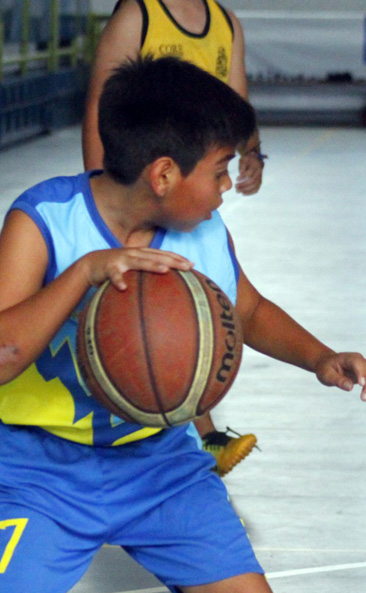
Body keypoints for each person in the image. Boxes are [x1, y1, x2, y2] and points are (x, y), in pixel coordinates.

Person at [0, 56, 366, 593]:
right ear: (163, 175)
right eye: (221, 169)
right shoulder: (44, 220)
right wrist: (83, 274)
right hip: (39, 469)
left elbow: (247, 310)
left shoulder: (202, 231)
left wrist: (321, 357)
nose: (228, 186)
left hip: (159, 462)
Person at [82, 0, 266, 475]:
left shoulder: (225, 24)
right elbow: (101, 107)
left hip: (187, 190)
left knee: (194, 307)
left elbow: (236, 102)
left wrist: (252, 151)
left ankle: (199, 433)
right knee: (153, 314)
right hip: (142, 191)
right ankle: (189, 433)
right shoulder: (137, 16)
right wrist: (105, 200)